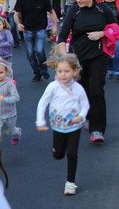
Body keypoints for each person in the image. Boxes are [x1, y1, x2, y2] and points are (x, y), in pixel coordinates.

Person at [57, 0, 115, 144]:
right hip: (78, 58)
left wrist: (102, 34)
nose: (78, 0)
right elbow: (62, 36)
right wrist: (64, 58)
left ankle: (97, 130)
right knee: (83, 90)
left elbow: (114, 28)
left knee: (97, 90)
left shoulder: (102, 9)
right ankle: (88, 115)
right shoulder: (74, 11)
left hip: (98, 55)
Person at [36, 52, 90, 195]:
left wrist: (81, 116)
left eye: (67, 71)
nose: (63, 75)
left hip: (74, 126)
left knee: (72, 153)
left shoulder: (78, 88)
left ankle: (70, 183)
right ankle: (58, 150)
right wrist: (40, 121)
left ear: (75, 71)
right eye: (60, 71)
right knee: (59, 154)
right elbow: (43, 103)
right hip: (58, 127)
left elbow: (85, 105)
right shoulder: (53, 87)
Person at [14, 0, 59, 81]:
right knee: (30, 54)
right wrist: (18, 23)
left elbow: (51, 12)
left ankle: (44, 70)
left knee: (39, 51)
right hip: (27, 29)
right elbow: (16, 13)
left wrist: (55, 25)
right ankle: (37, 73)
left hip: (40, 28)